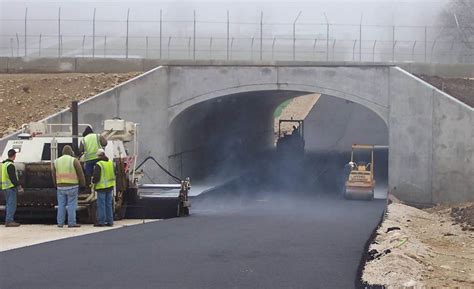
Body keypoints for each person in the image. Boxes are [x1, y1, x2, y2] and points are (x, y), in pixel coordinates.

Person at [52, 145, 86, 228]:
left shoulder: (56, 162)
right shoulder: (74, 161)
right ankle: (71, 223)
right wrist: (83, 184)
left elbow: (53, 175)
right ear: (71, 152)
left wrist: (55, 185)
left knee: (61, 205)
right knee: (71, 205)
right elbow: (80, 174)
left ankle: (60, 223)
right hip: (72, 186)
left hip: (60, 187)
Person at [92, 149, 115, 227]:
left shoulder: (99, 164)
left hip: (101, 187)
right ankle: (110, 221)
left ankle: (101, 221)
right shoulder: (110, 163)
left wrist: (93, 181)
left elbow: (96, 177)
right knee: (108, 204)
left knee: (101, 205)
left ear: (98, 156)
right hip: (110, 186)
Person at [1, 149, 23, 227]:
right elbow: (13, 178)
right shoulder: (10, 165)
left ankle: (8, 219)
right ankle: (9, 221)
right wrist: (19, 186)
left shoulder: (3, 164)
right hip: (10, 187)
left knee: (8, 204)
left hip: (4, 187)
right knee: (11, 205)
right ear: (14, 156)